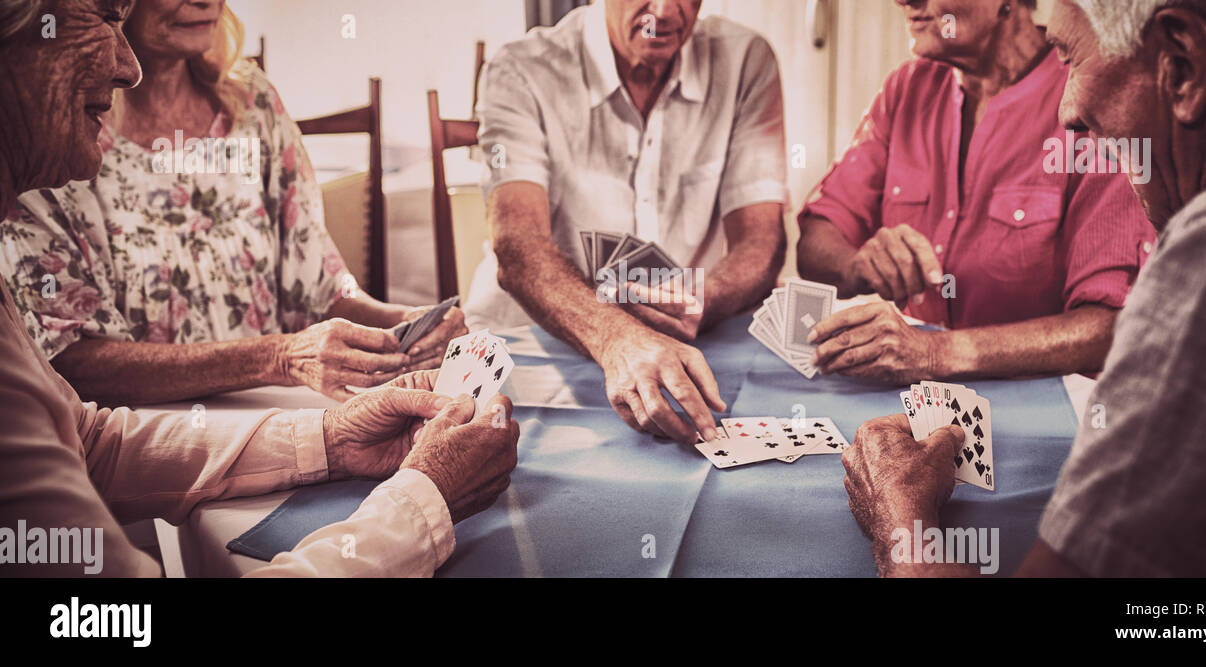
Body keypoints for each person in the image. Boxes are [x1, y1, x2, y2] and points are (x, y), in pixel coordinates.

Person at [0, 0, 519, 577]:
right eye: (106, 15)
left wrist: (336, 435)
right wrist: (424, 501)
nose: (128, 66)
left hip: (253, 437)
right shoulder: (66, 153)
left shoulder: (252, 99)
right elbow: (77, 366)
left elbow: (90, 441)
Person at [843, 0, 1206, 576]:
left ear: (1182, 67)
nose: (1067, 115)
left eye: (1070, 55)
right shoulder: (908, 86)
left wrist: (899, 521)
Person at [0, 0, 467, 405]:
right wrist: (277, 359)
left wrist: (403, 323)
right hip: (145, 448)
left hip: (280, 420)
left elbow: (323, 289)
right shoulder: (57, 137)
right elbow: (68, 359)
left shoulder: (253, 101)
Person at [467, 0, 788, 444]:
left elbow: (762, 239)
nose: (665, 11)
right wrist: (617, 337)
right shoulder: (519, 69)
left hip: (692, 343)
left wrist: (707, 297)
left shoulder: (747, 60)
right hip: (530, 342)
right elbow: (516, 244)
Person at [798, 0, 1155, 384]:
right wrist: (856, 265)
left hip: (1045, 414)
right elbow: (816, 239)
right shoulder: (906, 88)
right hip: (917, 403)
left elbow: (1110, 324)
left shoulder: (1085, 96)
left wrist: (935, 352)